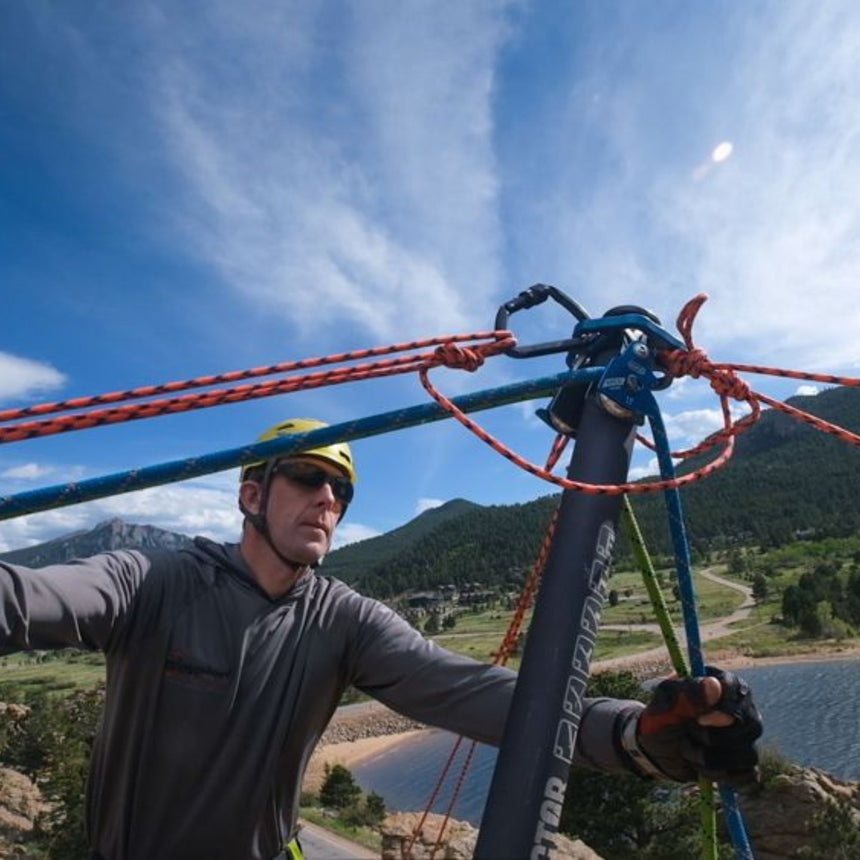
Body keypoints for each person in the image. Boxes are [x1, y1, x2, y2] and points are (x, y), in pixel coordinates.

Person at [0, 418, 762, 860]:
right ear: (252, 494)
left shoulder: (343, 618)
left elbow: (478, 694)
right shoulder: (156, 581)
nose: (328, 498)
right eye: (306, 476)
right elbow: (33, 597)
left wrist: (631, 733)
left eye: (342, 490)